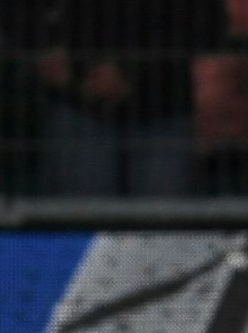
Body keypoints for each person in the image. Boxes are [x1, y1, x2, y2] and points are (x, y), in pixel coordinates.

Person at [34, 1, 227, 196]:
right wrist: (50, 49)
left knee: (159, 215)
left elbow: (208, 23)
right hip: (83, 108)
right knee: (85, 212)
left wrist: (132, 72)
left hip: (162, 111)